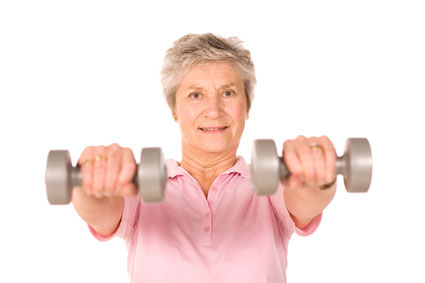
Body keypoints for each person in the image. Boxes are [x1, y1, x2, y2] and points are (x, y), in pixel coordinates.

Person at [71, 33, 338, 283]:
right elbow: (100, 211)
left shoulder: (272, 187)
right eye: (195, 95)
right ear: (175, 109)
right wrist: (91, 184)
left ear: (246, 106)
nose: (214, 110)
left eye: (228, 93)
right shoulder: (141, 188)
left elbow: (308, 198)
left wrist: (317, 175)